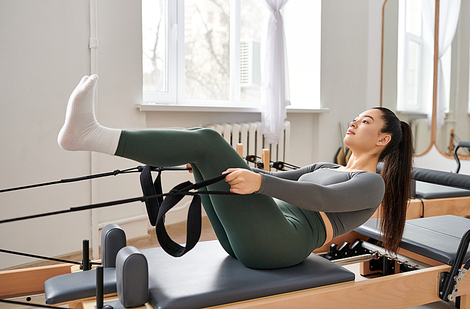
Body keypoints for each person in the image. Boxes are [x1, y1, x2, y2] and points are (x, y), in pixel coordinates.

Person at [58, 75, 413, 269]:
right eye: (356, 116)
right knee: (203, 146)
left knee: (209, 140)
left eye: (365, 121)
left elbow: (321, 197)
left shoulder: (371, 184)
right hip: (260, 234)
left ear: (383, 138)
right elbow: (276, 181)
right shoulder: (326, 165)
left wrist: (258, 180)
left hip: (284, 243)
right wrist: (217, 166)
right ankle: (97, 137)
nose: (354, 121)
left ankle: (92, 136)